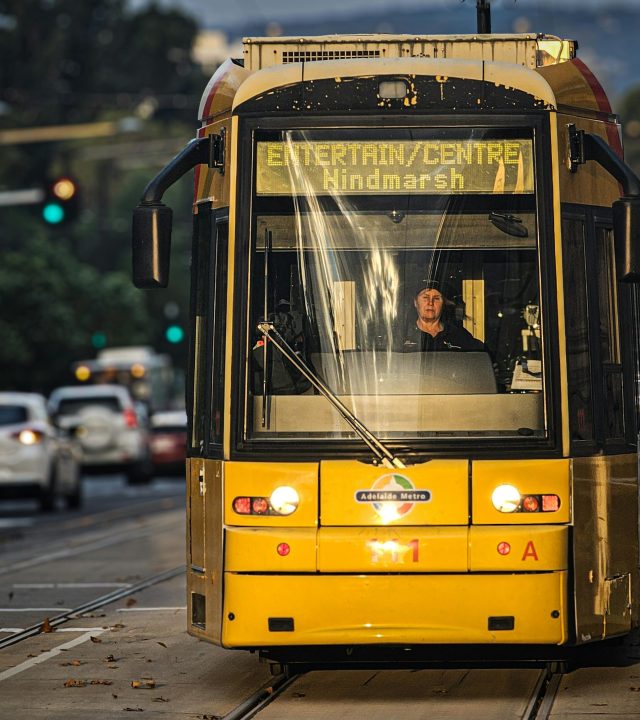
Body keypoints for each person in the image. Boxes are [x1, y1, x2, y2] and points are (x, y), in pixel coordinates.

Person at [402, 281, 486, 352]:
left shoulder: (460, 336)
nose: (430, 303)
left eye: (436, 298)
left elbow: (485, 361)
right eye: (425, 297)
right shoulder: (401, 335)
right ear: (415, 302)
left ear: (443, 304)